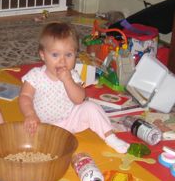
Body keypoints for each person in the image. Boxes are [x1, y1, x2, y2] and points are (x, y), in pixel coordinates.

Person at [19, 22, 130, 153]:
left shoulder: (72, 75)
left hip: (70, 121)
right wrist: (30, 115)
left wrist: (67, 80)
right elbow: (25, 96)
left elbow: (79, 100)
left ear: (75, 54)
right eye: (55, 55)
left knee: (91, 107)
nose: (62, 61)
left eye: (68, 55)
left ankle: (110, 136)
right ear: (43, 55)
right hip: (43, 124)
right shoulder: (35, 75)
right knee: (29, 143)